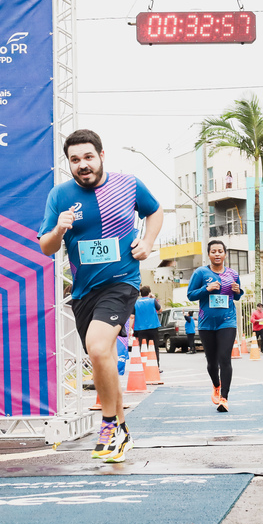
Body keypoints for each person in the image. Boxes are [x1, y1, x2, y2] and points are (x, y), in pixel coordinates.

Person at [39, 128, 163, 462]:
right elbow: (45, 247)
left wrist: (148, 243)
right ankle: (122, 431)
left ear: (101, 156)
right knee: (101, 357)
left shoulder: (128, 185)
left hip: (122, 282)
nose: (82, 164)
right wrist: (58, 229)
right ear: (69, 163)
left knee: (97, 346)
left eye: (88, 157)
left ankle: (108, 424)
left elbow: (155, 211)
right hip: (83, 292)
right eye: (75, 160)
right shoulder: (60, 196)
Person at [187, 239, 244, 412]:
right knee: (212, 362)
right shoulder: (200, 273)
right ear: (209, 254)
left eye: (220, 251)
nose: (217, 254)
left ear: (225, 254)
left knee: (224, 358)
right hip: (206, 324)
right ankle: (216, 385)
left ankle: (224, 398)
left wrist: (238, 291)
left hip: (227, 321)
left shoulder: (233, 274)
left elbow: (238, 295)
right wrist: (207, 288)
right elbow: (190, 295)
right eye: (214, 251)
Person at [132, 286, 161, 366]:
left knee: (143, 348)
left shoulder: (136, 303)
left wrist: (130, 330)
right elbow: (160, 309)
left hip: (140, 329)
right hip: (153, 327)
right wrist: (154, 298)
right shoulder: (153, 301)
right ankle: (156, 365)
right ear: (149, 292)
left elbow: (132, 317)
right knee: (155, 347)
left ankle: (144, 365)